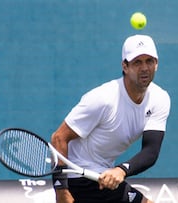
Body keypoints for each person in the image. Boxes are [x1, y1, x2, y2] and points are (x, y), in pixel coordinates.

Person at [51, 34, 171, 203]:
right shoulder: (103, 98)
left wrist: (121, 170)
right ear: (125, 66)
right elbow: (59, 138)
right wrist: (61, 191)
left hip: (102, 176)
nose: (144, 68)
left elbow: (150, 152)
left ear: (156, 64)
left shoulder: (160, 98)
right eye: (137, 62)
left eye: (149, 61)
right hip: (77, 176)